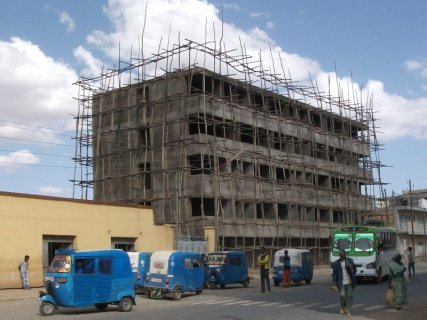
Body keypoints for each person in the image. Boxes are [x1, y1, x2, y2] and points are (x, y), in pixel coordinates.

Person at [332, 249, 356, 316]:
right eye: (341, 255)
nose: (342, 256)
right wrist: (334, 284)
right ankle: (342, 307)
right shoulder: (336, 263)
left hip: (350, 282)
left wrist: (351, 269)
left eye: (343, 255)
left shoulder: (350, 261)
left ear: (345, 255)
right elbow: (334, 274)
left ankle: (348, 310)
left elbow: (355, 270)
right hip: (341, 282)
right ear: (339, 255)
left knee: (349, 296)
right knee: (342, 296)